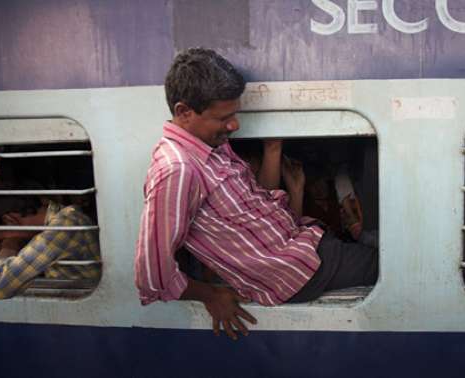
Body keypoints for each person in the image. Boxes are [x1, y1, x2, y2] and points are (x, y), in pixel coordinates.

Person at [134, 48, 378, 340]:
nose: (234, 125)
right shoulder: (177, 170)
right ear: (184, 111)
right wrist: (210, 295)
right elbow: (152, 274)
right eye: (223, 117)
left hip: (306, 245)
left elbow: (251, 206)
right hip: (299, 271)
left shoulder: (212, 147)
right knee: (392, 267)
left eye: (234, 114)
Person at [0, 192, 100, 299]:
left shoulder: (62, 227)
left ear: (9, 220)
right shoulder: (66, 215)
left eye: (2, 239)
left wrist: (9, 245)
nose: (4, 242)